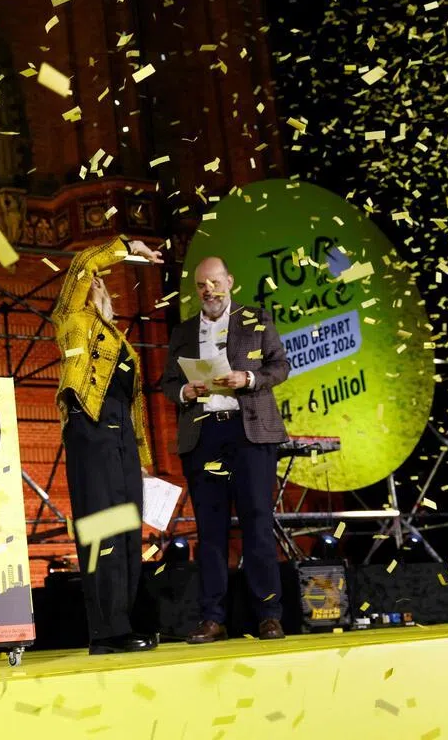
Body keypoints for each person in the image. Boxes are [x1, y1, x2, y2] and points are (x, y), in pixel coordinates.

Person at [160, 256, 290, 644]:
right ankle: (213, 618)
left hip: (249, 434)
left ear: (230, 281)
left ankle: (268, 615)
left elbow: (280, 366)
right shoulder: (183, 331)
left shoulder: (257, 319)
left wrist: (248, 378)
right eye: (202, 285)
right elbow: (167, 382)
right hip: (204, 438)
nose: (209, 291)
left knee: (257, 524)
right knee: (211, 531)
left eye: (215, 282)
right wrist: (186, 390)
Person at [53, 235, 163, 655]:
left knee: (129, 530)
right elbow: (83, 261)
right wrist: (128, 246)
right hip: (90, 433)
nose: (99, 285)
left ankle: (127, 621)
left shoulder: (121, 341)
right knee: (104, 532)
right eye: (94, 282)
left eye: (102, 283)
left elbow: (131, 404)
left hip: (120, 442)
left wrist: (141, 460)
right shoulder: (71, 321)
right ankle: (106, 631)